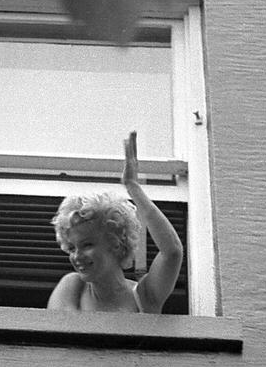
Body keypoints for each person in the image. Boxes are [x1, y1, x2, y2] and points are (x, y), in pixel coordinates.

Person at [47, 131, 184, 313]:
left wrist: (133, 187)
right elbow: (63, 336)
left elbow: (172, 251)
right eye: (72, 248)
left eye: (87, 244)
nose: (77, 256)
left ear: (116, 244)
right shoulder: (72, 286)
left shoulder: (143, 296)